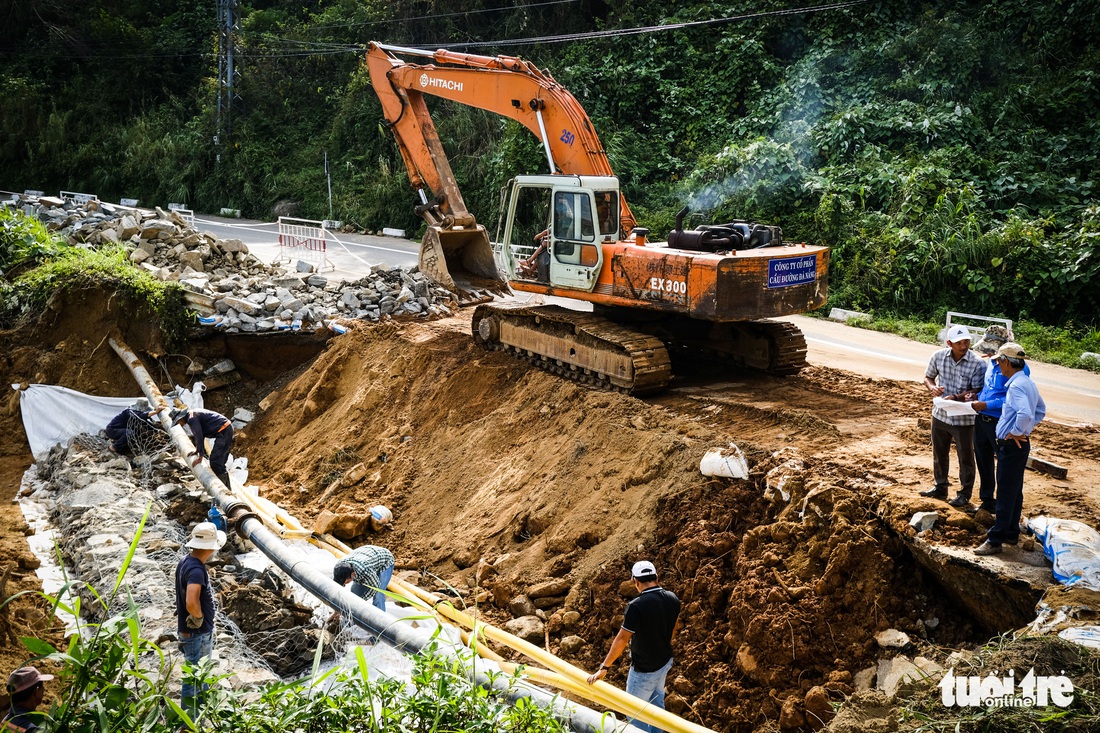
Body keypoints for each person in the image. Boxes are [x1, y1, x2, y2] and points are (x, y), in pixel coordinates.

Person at [586, 561, 681, 733]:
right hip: (665, 661)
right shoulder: (672, 598)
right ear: (656, 578)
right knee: (656, 705)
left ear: (635, 581)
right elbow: (674, 627)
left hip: (644, 669)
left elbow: (622, 640)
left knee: (634, 713)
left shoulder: (636, 605)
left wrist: (604, 667)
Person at [974, 343, 1046, 555]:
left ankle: (995, 539)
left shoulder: (1015, 386)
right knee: (1014, 490)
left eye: (998, 361)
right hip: (1019, 444)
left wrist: (1016, 431)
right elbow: (1041, 410)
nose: (997, 364)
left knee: (1005, 491)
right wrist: (1026, 431)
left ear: (1006, 362)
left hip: (1012, 444)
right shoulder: (1027, 382)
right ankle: (1011, 532)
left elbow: (1025, 413)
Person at [919, 325, 986, 504]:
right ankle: (940, 487)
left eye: (966, 342)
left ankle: (964, 494)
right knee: (939, 452)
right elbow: (928, 377)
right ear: (949, 343)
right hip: (940, 414)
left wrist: (957, 397)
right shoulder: (938, 356)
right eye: (959, 343)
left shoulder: (978, 363)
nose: (964, 346)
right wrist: (932, 387)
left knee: (965, 457)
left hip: (964, 418)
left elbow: (978, 389)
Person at [967, 326, 1029, 513]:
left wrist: (987, 405)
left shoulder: (1018, 370)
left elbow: (1012, 399)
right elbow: (989, 390)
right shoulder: (991, 364)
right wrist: (976, 396)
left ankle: (1005, 509)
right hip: (982, 420)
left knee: (1005, 470)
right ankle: (987, 502)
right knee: (983, 462)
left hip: (1000, 423)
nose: (987, 352)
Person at [175, 521, 226, 718]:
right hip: (197, 632)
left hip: (194, 632)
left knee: (201, 671)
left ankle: (204, 712)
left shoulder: (185, 562)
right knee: (193, 677)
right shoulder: (197, 570)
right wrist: (198, 617)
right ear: (211, 547)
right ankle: (188, 723)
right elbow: (191, 601)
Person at [171, 408, 234, 487]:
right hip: (223, 430)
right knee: (216, 462)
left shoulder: (192, 418)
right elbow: (201, 434)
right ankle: (224, 488)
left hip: (224, 430)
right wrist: (198, 450)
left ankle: (226, 492)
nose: (179, 424)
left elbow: (199, 435)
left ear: (180, 418)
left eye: (178, 422)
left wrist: (200, 455)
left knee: (216, 462)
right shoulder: (191, 415)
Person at [332, 544, 395, 612]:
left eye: (346, 582)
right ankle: (352, 618)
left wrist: (358, 602)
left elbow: (375, 586)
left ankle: (380, 620)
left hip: (385, 560)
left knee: (378, 595)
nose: (345, 584)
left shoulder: (364, 569)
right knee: (354, 592)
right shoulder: (339, 566)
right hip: (366, 554)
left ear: (353, 574)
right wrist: (338, 610)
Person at [3, 666, 53, 732]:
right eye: (42, 687)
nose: (44, 690)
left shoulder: (5, 721)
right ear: (36, 691)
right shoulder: (34, 728)